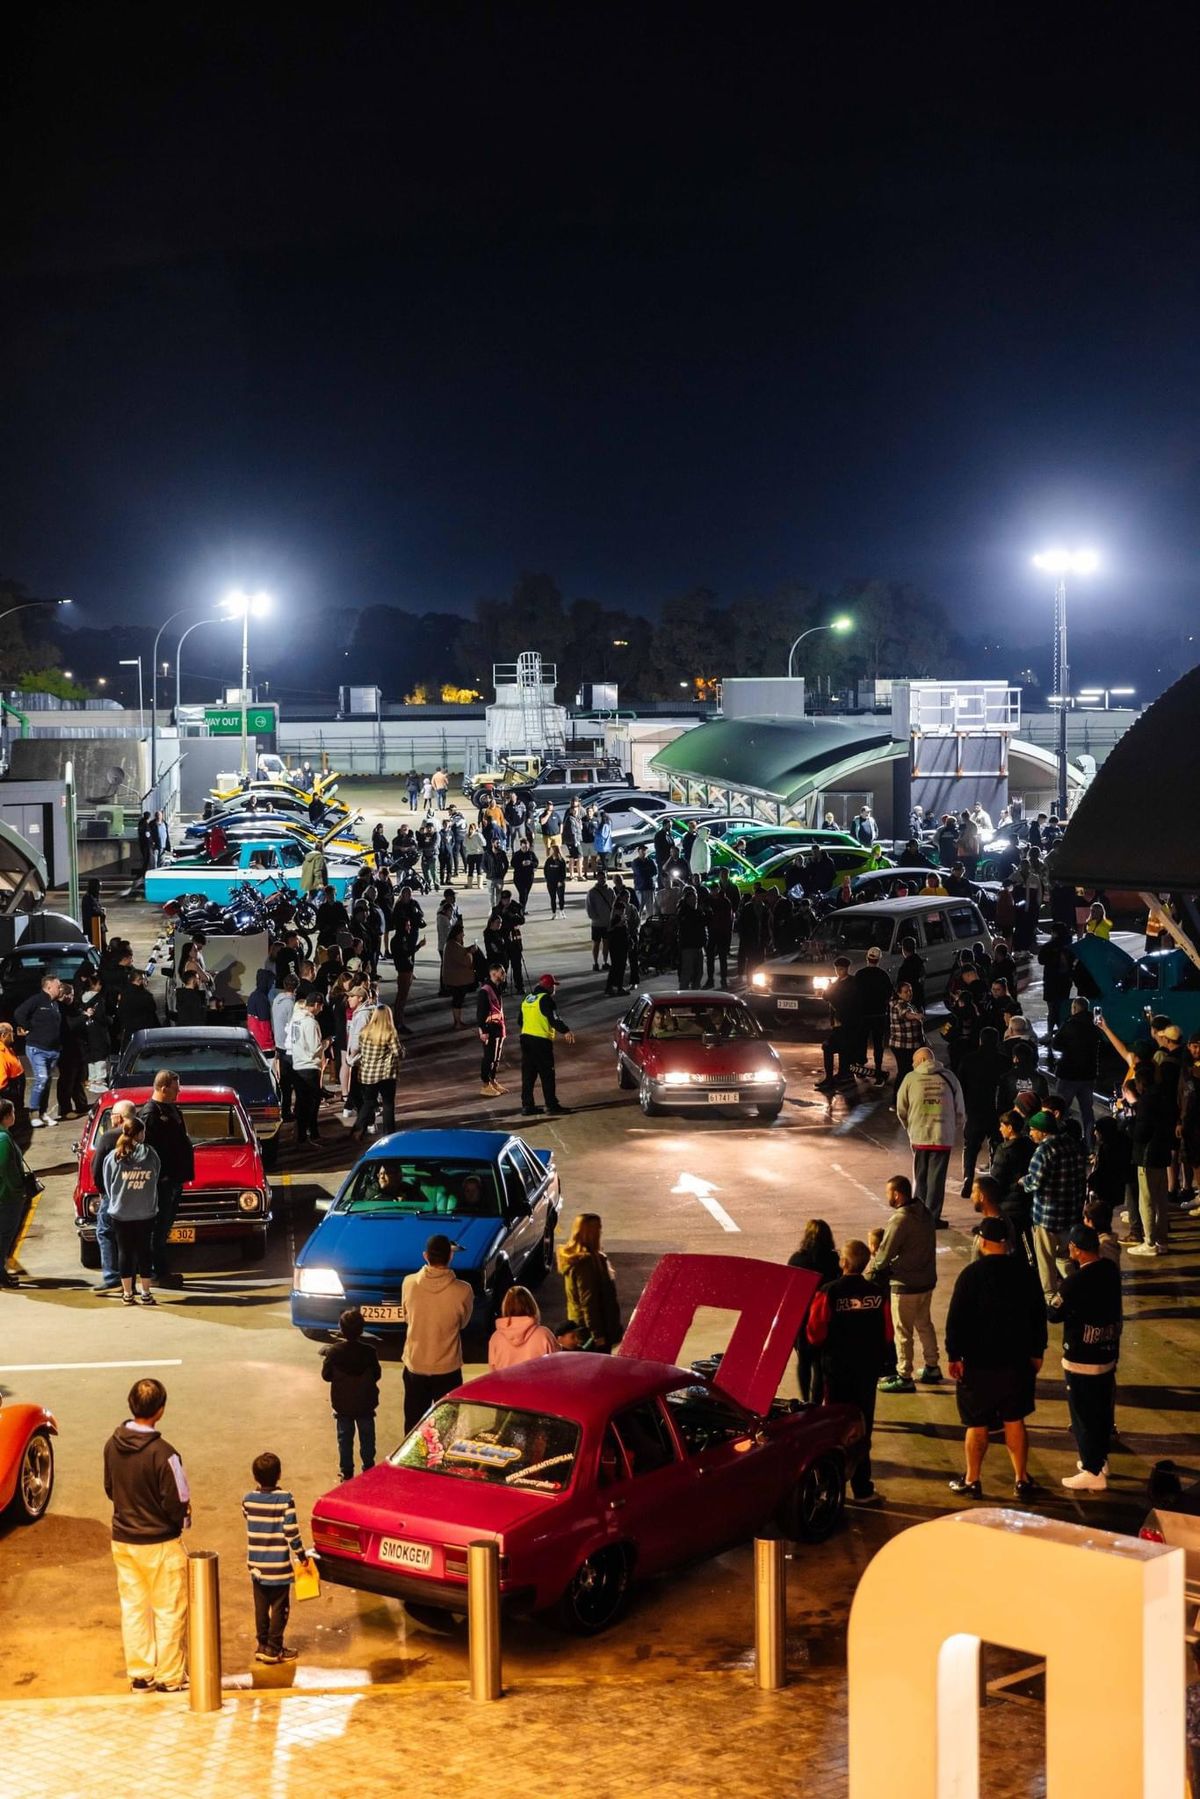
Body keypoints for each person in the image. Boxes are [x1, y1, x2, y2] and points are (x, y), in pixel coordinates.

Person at [944, 1216, 1047, 1501]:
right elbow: (1039, 1315)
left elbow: (956, 1320)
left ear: (984, 1242)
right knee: (1015, 1420)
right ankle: (1021, 1479)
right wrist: (1037, 1351)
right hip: (1015, 1362)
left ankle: (972, 1479)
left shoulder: (971, 1275)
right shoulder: (1026, 1273)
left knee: (976, 1423)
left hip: (978, 1364)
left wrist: (954, 1355)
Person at [103, 1377, 191, 1693]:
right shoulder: (165, 1454)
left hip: (123, 1540)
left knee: (134, 1608)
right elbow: (178, 1502)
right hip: (160, 1543)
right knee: (168, 1610)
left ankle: (140, 1674)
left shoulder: (112, 1445)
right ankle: (170, 1676)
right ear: (161, 1410)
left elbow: (110, 1489)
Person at [805, 1238, 892, 1502]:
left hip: (836, 1372)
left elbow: (814, 1334)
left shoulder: (828, 1292)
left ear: (843, 1262)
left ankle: (830, 1486)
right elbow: (887, 1333)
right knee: (862, 1427)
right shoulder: (877, 1294)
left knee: (833, 1428)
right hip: (866, 1372)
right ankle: (862, 1487)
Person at [1058, 1223, 1122, 1491]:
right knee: (1102, 1411)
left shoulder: (1075, 1282)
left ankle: (1092, 1469)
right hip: (1106, 1353)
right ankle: (1100, 1458)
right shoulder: (1110, 1271)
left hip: (1082, 1358)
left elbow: (1053, 1313)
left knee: (1083, 1416)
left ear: (1076, 1249)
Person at [869, 1173, 942, 1392]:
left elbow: (884, 1255)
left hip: (905, 1284)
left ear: (898, 1195)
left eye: (888, 1193)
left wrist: (874, 1264)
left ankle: (904, 1374)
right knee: (924, 1324)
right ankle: (932, 1365)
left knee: (903, 1331)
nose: (887, 1197)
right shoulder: (925, 1213)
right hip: (927, 1280)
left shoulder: (900, 1219)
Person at [243, 1451, 312, 1665]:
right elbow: (291, 1531)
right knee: (280, 1609)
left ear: (255, 1477)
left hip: (257, 1567)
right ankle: (274, 1648)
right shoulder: (285, 1500)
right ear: (279, 1474)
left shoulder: (248, 1500)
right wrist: (301, 1555)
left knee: (261, 1607)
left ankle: (262, 1644)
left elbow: (247, 1516)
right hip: (279, 1568)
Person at [400, 1233, 474, 1432]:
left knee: (414, 1426)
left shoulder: (408, 1283)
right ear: (450, 1256)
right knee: (446, 1428)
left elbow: (407, 1317)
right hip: (447, 1368)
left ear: (426, 1256)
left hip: (415, 1364)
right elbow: (463, 1323)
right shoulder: (464, 1290)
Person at [896, 1046, 965, 1227]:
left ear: (920, 1061)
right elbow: (960, 1109)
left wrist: (909, 1128)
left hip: (919, 1135)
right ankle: (932, 1217)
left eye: (913, 1061)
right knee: (937, 1178)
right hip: (942, 1136)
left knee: (920, 1177)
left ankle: (918, 1215)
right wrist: (952, 1128)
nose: (912, 1065)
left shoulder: (910, 1079)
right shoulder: (949, 1077)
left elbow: (901, 1108)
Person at [1024, 1109, 1088, 1304]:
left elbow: (1034, 1182)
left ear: (1043, 1132)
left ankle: (1050, 1297)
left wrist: (1022, 1182)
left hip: (1047, 1216)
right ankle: (1075, 1290)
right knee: (1065, 1256)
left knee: (1045, 1260)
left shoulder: (1043, 1151)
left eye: (1033, 1130)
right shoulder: (1072, 1145)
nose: (1030, 1134)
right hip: (1071, 1214)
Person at [321, 1307, 382, 1483]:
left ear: (341, 1329)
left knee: (345, 1439)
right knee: (367, 1437)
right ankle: (369, 1467)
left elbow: (326, 1376)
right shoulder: (370, 1351)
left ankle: (346, 1471)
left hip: (342, 1404)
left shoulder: (333, 1351)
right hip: (365, 1403)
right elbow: (377, 1374)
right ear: (362, 1329)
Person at [787, 1219, 840, 1403]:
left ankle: (804, 1400)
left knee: (804, 1361)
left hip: (802, 1316)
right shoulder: (834, 1260)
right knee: (819, 1365)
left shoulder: (797, 1259)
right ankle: (815, 1403)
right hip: (825, 1317)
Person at [556, 1212, 620, 1352]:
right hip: (593, 1333)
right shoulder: (586, 1264)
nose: (601, 1232)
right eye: (598, 1229)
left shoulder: (579, 1260)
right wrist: (598, 1335)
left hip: (583, 1327)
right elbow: (589, 1302)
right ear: (591, 1233)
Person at [958, 1025, 1006, 1196]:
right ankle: (994, 1181)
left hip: (975, 1111)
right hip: (997, 1113)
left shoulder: (969, 1060)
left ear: (980, 1040)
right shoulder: (1004, 1060)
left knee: (970, 1147)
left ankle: (967, 1178)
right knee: (997, 1147)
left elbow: (960, 1085)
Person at [519, 973, 574, 1116]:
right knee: (547, 1074)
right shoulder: (546, 999)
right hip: (541, 1041)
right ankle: (551, 1105)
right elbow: (554, 1019)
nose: (555, 989)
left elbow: (520, 1020)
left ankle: (527, 1105)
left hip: (526, 1040)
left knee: (528, 1075)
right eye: (554, 986)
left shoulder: (527, 999)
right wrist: (566, 1030)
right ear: (548, 986)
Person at [15, 974, 63, 1128]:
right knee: (41, 1079)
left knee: (47, 1082)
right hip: (37, 1049)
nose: (60, 988)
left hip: (53, 1050)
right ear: (49, 987)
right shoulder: (37, 1000)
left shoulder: (55, 1004)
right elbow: (19, 1013)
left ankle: (43, 1113)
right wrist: (29, 1027)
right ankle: (34, 1113)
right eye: (58, 986)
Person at [1051, 998, 1101, 1144]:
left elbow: (1056, 1044)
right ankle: (1089, 1145)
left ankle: (1062, 1143)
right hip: (1088, 1075)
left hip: (1069, 1074)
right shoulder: (1095, 1025)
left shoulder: (1069, 1024)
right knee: (1087, 1111)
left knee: (1061, 1109)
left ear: (1074, 1008)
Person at [352, 1004, 403, 1139]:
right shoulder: (389, 1033)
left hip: (368, 1074)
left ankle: (357, 1129)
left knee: (368, 1102)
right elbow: (398, 1052)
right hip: (386, 1074)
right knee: (388, 1103)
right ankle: (389, 1133)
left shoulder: (364, 1032)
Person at [815, 957, 862, 1090]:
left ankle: (843, 1075)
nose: (839, 972)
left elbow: (846, 1002)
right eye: (837, 969)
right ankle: (831, 1077)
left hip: (848, 1024)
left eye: (841, 969)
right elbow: (826, 997)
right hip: (837, 1024)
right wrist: (829, 988)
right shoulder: (836, 983)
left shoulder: (852, 983)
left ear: (847, 969)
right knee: (829, 1047)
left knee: (840, 1049)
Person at [288, 993, 327, 1146]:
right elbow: (314, 1048)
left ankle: (301, 1134)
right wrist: (326, 1043)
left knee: (301, 1103)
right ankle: (305, 1136)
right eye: (321, 1006)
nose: (321, 1009)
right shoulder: (310, 1023)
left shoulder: (295, 1019)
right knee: (310, 1104)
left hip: (297, 1065)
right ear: (316, 1005)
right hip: (309, 1066)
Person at [488, 1285, 560, 1367]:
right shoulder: (544, 1335)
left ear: (505, 1307)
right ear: (531, 1305)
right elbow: (556, 1368)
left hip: (507, 1380)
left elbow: (493, 1373)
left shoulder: (496, 1338)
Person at [854, 946, 893, 1085]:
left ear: (867, 958)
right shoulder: (883, 975)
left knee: (862, 1041)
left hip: (863, 1014)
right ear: (879, 959)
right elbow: (889, 994)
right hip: (879, 1014)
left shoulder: (859, 974)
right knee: (878, 1043)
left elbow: (855, 994)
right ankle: (878, 1069)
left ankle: (861, 1067)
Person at [0, 1100, 26, 1289]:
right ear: (7, 1116)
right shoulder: (3, 1139)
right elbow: (7, 1170)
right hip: (6, 1198)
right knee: (4, 1237)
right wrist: (19, 1190)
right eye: (13, 1112)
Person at [887, 979, 925, 1099]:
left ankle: (908, 1097)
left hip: (911, 1045)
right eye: (905, 991)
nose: (909, 993)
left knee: (910, 1071)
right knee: (904, 1072)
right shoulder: (898, 1004)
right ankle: (896, 1100)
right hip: (902, 1045)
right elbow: (905, 1013)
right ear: (898, 993)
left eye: (910, 990)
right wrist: (916, 1016)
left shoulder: (909, 1004)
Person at [475, 962, 508, 1098]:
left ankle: (493, 1080)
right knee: (489, 1057)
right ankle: (485, 1084)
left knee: (496, 1057)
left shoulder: (496, 988)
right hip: (490, 1029)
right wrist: (484, 1030)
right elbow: (481, 1014)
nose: (504, 974)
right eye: (502, 972)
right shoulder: (485, 991)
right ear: (493, 974)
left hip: (498, 1028)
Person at [676, 886, 707, 988]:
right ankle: (684, 995)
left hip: (698, 945)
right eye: (692, 899)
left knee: (699, 973)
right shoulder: (684, 912)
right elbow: (691, 926)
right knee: (687, 973)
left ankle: (695, 993)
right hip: (688, 947)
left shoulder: (698, 910)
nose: (694, 901)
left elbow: (704, 924)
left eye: (695, 899)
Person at [586, 871, 613, 972]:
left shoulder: (610, 891)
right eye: (601, 878)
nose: (603, 880)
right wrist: (594, 917)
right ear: (597, 878)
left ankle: (605, 962)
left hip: (607, 922)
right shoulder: (592, 892)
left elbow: (613, 905)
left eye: (604, 877)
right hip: (597, 923)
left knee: (606, 943)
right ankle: (595, 962)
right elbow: (589, 907)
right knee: (596, 943)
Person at [543, 843, 567, 916]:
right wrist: (547, 880)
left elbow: (563, 873)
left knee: (561, 897)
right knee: (552, 898)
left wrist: (561, 881)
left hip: (559, 882)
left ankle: (562, 910)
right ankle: (554, 913)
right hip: (551, 882)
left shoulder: (561, 861)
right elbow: (545, 871)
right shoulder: (549, 860)